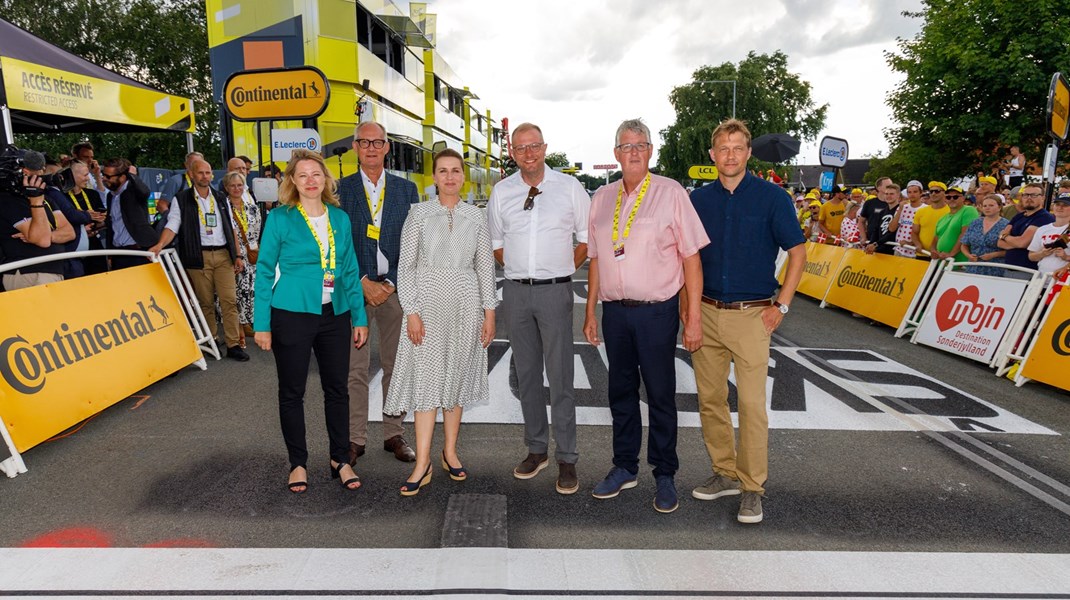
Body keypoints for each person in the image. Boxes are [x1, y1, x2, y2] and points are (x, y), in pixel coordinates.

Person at [582, 119, 709, 514]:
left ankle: (665, 473)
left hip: (657, 312)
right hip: (615, 313)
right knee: (620, 393)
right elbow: (597, 259)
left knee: (659, 394)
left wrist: (694, 317)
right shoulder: (601, 198)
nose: (633, 152)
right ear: (615, 153)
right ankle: (624, 466)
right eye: (626, 145)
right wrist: (590, 312)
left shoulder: (671, 193)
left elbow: (691, 257)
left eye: (641, 144)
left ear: (650, 151)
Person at [688, 118, 806, 525]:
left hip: (754, 314)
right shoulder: (698, 200)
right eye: (723, 149)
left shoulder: (773, 198)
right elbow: (687, 260)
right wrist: (689, 312)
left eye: (738, 147)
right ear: (712, 155)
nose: (731, 155)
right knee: (710, 400)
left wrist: (782, 306)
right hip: (705, 311)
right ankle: (724, 472)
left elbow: (798, 253)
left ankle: (752, 487)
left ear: (748, 153)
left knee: (753, 406)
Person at [252, 149, 368, 494]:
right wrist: (262, 324)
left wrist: (359, 317)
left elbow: (349, 269)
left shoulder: (340, 218)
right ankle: (298, 463)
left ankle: (339, 459)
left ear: (326, 179)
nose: (310, 181)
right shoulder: (281, 219)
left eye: (316, 174)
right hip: (291, 314)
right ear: (292, 181)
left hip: (335, 314)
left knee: (337, 389)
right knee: (292, 391)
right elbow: (263, 271)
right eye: (302, 175)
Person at [383, 148, 497, 496]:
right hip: (427, 306)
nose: (449, 177)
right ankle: (423, 463)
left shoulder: (476, 217)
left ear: (464, 176)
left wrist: (489, 312)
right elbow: (405, 266)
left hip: (466, 304)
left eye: (455, 171)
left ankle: (449, 452)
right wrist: (412, 310)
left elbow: (485, 267)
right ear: (434, 177)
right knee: (427, 384)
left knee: (457, 379)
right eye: (443, 171)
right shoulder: (418, 214)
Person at [487, 122, 590, 495]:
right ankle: (536, 449)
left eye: (534, 146)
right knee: (527, 375)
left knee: (560, 376)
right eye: (520, 148)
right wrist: (520, 270)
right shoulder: (502, 192)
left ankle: (567, 457)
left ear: (545, 148)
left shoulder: (569, 187)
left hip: (555, 292)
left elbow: (586, 239)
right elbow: (496, 243)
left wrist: (561, 268)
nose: (528, 154)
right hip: (515, 292)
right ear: (512, 153)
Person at [338, 121, 419, 466]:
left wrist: (391, 284)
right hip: (355, 289)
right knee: (354, 368)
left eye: (378, 142)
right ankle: (355, 438)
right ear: (355, 147)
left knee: (395, 365)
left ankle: (393, 433)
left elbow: (415, 244)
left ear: (387, 147)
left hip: (395, 289)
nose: (371, 147)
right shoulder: (339, 189)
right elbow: (337, 244)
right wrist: (360, 281)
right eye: (364, 142)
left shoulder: (407, 190)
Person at [151, 159, 248, 361]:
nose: (205, 176)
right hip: (198, 256)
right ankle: (211, 340)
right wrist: (160, 245)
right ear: (191, 175)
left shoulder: (221, 198)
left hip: (223, 256)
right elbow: (173, 225)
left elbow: (231, 229)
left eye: (208, 172)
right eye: (201, 173)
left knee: (229, 301)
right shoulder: (182, 199)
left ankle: (233, 344)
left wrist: (237, 255)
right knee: (205, 302)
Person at [0, 150, 73, 291]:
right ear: (22, 172)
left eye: (41, 170)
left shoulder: (45, 198)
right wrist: (36, 201)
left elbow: (69, 232)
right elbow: (42, 240)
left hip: (52, 271)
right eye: (33, 171)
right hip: (28, 273)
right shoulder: (7, 200)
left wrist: (49, 234)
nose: (40, 175)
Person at [222, 171, 262, 345]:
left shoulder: (252, 207)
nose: (236, 188)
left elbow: (258, 230)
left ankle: (246, 323)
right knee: (235, 293)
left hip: (252, 256)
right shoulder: (223, 207)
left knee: (250, 292)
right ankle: (238, 329)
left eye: (239, 185)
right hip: (233, 255)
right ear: (226, 188)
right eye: (232, 185)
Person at [101, 158, 159, 270]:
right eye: (103, 174)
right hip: (119, 253)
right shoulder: (110, 196)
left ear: (122, 177)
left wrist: (133, 176)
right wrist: (110, 254)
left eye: (108, 176)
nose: (104, 179)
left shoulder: (134, 190)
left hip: (139, 251)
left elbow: (144, 192)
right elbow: (111, 225)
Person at [997, 182, 1053, 279]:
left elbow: (1021, 243)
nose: (1029, 198)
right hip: (1008, 269)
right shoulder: (1019, 216)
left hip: (1027, 271)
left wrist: (1006, 237)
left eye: (1034, 195)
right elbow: (999, 243)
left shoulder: (1044, 218)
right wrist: (1015, 242)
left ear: (1043, 197)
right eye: (1026, 195)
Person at [959, 195, 1009, 277]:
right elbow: (964, 244)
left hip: (996, 269)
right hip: (973, 268)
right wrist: (969, 255)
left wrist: (993, 255)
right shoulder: (975, 223)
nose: (987, 208)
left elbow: (1011, 250)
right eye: (984, 206)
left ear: (999, 207)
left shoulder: (1006, 225)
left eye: (991, 205)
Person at [931, 186, 979, 262]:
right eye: (948, 197)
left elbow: (965, 234)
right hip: (942, 263)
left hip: (959, 264)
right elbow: (936, 238)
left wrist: (951, 253)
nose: (952, 199)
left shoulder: (969, 210)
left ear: (963, 198)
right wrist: (933, 251)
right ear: (945, 199)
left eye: (955, 197)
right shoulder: (942, 218)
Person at [1026, 193, 1070, 275]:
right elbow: (1031, 256)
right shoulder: (1042, 229)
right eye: (1057, 204)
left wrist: (1066, 257)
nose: (1060, 207)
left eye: (1065, 205)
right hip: (1042, 278)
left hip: (1064, 281)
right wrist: (1042, 254)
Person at [860, 181, 899, 255]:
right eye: (886, 194)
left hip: (893, 250)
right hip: (879, 250)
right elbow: (876, 229)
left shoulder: (900, 211)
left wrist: (876, 244)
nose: (888, 196)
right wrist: (871, 243)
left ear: (898, 195)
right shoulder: (883, 211)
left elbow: (893, 233)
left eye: (892, 194)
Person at [891, 180, 924, 257]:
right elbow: (892, 228)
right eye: (909, 192)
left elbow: (926, 232)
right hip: (899, 250)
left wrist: (910, 243)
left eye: (915, 192)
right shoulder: (902, 207)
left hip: (916, 252)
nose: (912, 194)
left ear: (921, 193)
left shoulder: (926, 209)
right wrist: (900, 210)